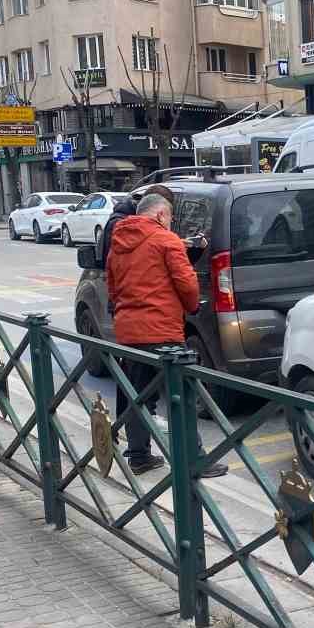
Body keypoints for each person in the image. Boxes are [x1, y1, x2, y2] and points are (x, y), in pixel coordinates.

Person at [105, 193, 225, 477]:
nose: (170, 223)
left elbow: (112, 287)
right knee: (181, 395)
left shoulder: (117, 244)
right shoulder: (166, 240)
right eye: (169, 218)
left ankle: (139, 456)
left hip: (129, 331)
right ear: (160, 215)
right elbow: (187, 283)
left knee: (138, 396)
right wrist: (192, 306)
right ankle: (193, 459)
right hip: (162, 331)